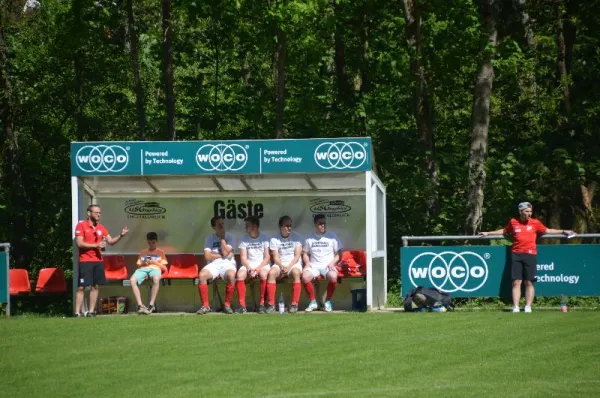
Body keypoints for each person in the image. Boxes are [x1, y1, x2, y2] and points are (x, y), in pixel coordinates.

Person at [480, 201, 575, 313]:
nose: (529, 213)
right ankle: (516, 307)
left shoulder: (535, 223)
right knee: (516, 281)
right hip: (516, 253)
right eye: (527, 211)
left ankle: (528, 307)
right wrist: (488, 233)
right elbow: (504, 231)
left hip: (530, 254)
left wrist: (564, 231)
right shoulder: (513, 222)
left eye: (530, 211)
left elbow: (548, 230)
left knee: (529, 282)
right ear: (521, 211)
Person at [74, 204, 129, 317]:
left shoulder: (101, 227)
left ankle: (91, 311)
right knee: (81, 287)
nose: (99, 214)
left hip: (98, 261)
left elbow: (111, 241)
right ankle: (77, 313)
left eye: (99, 213)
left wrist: (121, 235)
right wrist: (96, 245)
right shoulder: (81, 225)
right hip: (85, 260)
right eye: (96, 212)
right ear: (89, 213)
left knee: (95, 286)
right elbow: (79, 243)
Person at [197, 216, 237, 315]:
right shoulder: (209, 238)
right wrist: (222, 255)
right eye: (219, 224)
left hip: (227, 263)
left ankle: (227, 305)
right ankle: (205, 306)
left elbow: (224, 252)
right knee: (202, 276)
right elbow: (207, 256)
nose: (222, 226)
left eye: (223, 224)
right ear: (213, 227)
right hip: (213, 264)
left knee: (231, 276)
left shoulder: (230, 236)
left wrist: (222, 238)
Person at [301, 214, 341, 312]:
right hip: (314, 265)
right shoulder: (309, 237)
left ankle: (327, 302)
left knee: (333, 276)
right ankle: (313, 302)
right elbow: (305, 253)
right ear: (315, 224)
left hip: (327, 265)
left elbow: (339, 254)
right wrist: (307, 262)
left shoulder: (332, 236)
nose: (323, 225)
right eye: (320, 224)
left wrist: (332, 263)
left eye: (324, 223)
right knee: (305, 277)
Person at [265, 216, 304, 313]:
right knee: (271, 273)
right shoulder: (274, 239)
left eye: (290, 225)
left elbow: (297, 256)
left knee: (295, 273)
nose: (289, 228)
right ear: (280, 226)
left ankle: (294, 304)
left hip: (293, 264)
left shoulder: (297, 237)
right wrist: (281, 266)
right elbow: (276, 257)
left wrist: (289, 267)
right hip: (281, 264)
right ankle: (271, 305)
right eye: (286, 226)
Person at [236, 216, 271, 314]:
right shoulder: (243, 238)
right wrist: (250, 268)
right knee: (240, 275)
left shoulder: (265, 238)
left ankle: (262, 304)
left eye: (247, 226)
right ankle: (242, 306)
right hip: (249, 264)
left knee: (263, 274)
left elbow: (267, 257)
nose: (245, 228)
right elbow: (243, 257)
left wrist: (257, 269)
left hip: (262, 264)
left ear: (254, 226)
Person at [130, 232, 168, 315]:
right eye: (149, 243)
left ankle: (151, 304)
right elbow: (139, 265)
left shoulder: (160, 252)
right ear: (147, 242)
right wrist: (145, 263)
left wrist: (154, 262)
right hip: (143, 269)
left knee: (156, 279)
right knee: (132, 280)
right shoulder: (143, 252)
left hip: (155, 269)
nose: (151, 244)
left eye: (153, 242)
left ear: (156, 241)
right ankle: (140, 305)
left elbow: (164, 268)